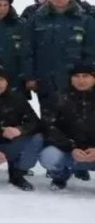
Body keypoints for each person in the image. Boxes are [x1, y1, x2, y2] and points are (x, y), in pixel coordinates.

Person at [28, 0, 95, 113]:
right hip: (46, 80)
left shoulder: (85, 20)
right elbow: (27, 50)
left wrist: (89, 75)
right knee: (49, 118)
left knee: (79, 117)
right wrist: (29, 76)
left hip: (77, 81)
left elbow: (91, 49)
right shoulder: (36, 19)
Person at [40, 61, 95, 190]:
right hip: (68, 150)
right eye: (76, 76)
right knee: (48, 156)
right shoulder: (58, 98)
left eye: (85, 76)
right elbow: (48, 127)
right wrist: (71, 147)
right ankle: (60, 176)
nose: (81, 80)